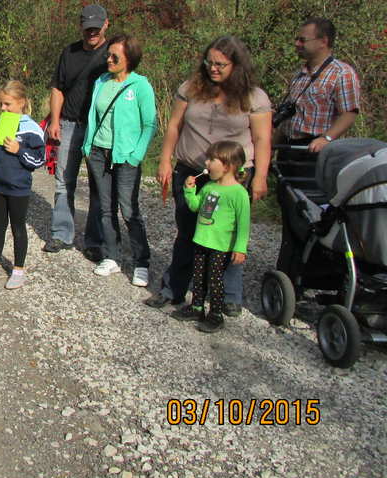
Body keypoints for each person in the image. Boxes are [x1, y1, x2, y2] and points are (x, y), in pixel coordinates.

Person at [150, 36, 272, 312]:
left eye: (220, 64)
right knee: (187, 231)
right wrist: (165, 161)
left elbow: (263, 140)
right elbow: (174, 125)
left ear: (236, 65)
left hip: (233, 178)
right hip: (192, 171)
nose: (213, 69)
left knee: (226, 235)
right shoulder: (191, 89)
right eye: (209, 62)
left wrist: (261, 176)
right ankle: (174, 289)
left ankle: (228, 296)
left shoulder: (254, 97)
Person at [83, 35, 156, 286]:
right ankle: (112, 256)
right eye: (108, 54)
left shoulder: (141, 86)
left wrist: (136, 155)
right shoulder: (102, 81)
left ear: (130, 58)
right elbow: (93, 114)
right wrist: (87, 144)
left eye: (115, 56)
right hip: (98, 153)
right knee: (105, 208)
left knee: (129, 210)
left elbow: (149, 124)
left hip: (126, 158)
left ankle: (141, 261)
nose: (109, 59)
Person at [43, 4, 110, 260]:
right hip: (69, 123)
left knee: (97, 184)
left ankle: (94, 241)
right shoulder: (69, 52)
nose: (91, 33)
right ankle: (62, 233)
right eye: (87, 28)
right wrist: (55, 121)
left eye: (96, 28)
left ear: (106, 24)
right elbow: (57, 88)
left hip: (99, 127)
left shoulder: (112, 53)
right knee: (63, 181)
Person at [171, 141, 251, 333]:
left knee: (214, 281)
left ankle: (216, 313)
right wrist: (189, 190)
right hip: (201, 241)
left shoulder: (239, 193)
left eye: (211, 159)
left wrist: (240, 248)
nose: (206, 163)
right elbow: (196, 206)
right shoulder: (209, 187)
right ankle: (197, 307)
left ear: (227, 165)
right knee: (198, 277)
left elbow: (244, 225)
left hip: (220, 246)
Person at [0, 81, 45, 289]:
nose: (3, 108)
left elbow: (39, 159)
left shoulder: (32, 129)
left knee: (18, 227)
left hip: (19, 188)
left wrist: (19, 150)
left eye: (7, 104)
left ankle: (18, 270)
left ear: (21, 102)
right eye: (1, 104)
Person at [280, 17, 360, 152]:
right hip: (288, 147)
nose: (297, 44)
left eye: (302, 40)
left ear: (323, 41)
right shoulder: (299, 75)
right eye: (297, 39)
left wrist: (326, 138)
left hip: (317, 148)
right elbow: (288, 117)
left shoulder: (342, 73)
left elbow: (349, 113)